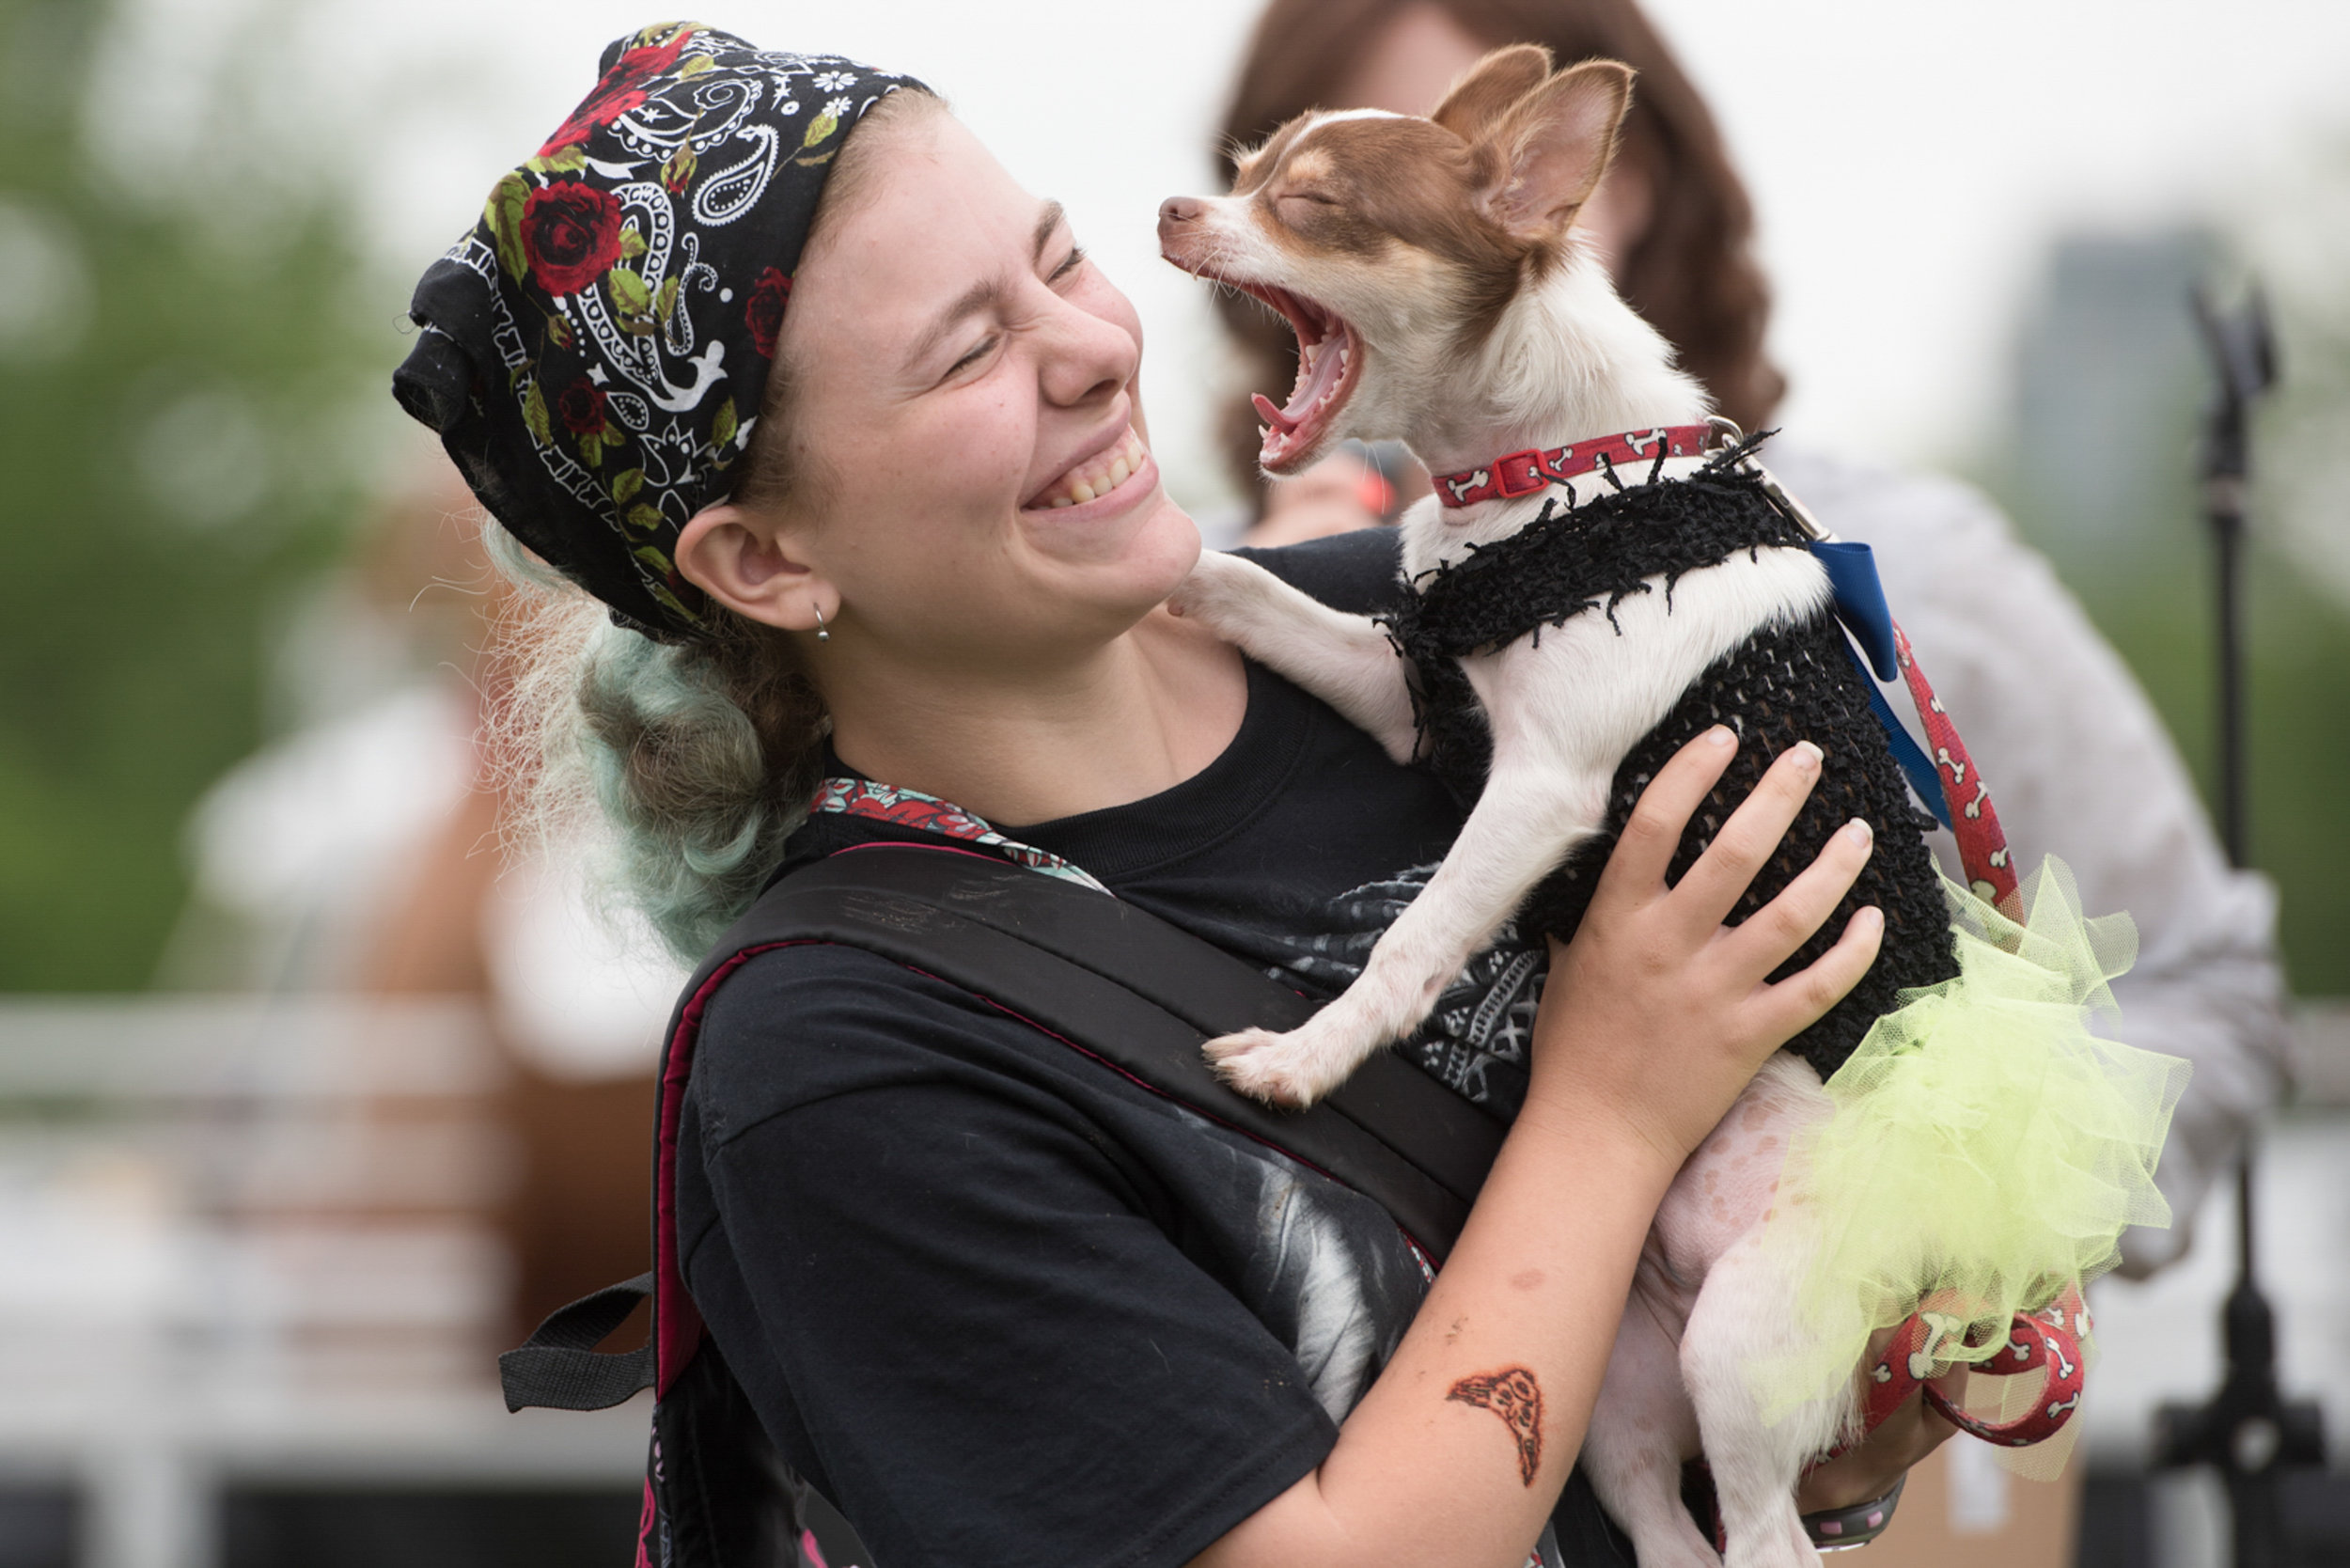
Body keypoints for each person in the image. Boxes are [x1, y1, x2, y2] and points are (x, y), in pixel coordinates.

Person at [392, 24, 1949, 1566]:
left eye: (1060, 263)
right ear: (768, 559)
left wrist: (1846, 1422)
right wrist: (1610, 1111)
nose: (1095, 348)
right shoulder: (839, 1062)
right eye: (965, 354)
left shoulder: (1448, 630)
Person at [1214, 0, 2291, 1280]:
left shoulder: (1901, 556)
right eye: (1328, 192)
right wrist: (1276, 590)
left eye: (1496, 164)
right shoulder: (1186, 600)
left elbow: (2205, 989)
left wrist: (1926, 1284)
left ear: (1608, 179)